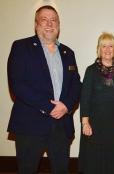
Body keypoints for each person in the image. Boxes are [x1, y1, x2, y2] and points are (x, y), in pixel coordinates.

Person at [7, 5, 81, 173]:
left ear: (59, 25)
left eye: (53, 20)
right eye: (44, 20)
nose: (49, 24)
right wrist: (50, 107)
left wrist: (66, 106)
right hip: (30, 125)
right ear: (36, 24)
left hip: (61, 126)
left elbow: (76, 84)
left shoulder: (68, 52)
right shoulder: (21, 47)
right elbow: (17, 84)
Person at [78, 32, 114, 174]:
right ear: (99, 49)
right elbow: (85, 98)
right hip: (94, 123)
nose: (107, 49)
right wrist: (85, 122)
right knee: (94, 163)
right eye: (104, 46)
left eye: (111, 46)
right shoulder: (91, 70)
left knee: (113, 162)